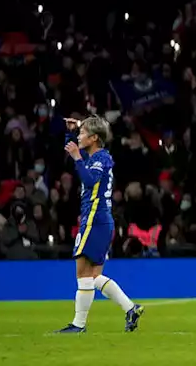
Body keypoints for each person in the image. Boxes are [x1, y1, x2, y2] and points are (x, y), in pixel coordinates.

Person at [56, 116, 145, 334]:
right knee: (93, 277)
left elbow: (89, 180)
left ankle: (79, 325)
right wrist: (71, 133)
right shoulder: (98, 156)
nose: (79, 136)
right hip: (101, 220)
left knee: (83, 273)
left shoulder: (99, 159)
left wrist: (77, 156)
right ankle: (130, 308)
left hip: (94, 219)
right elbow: (73, 152)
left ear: (95, 138)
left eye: (83, 133)